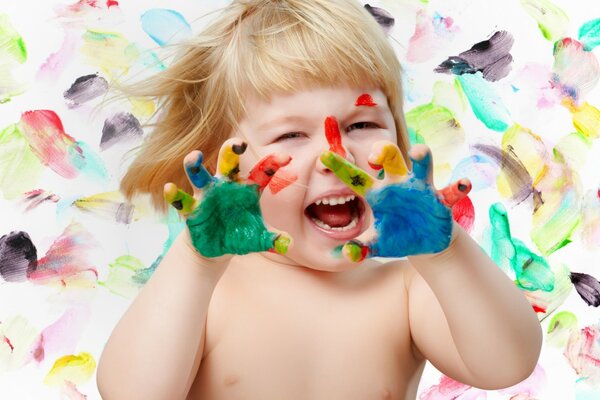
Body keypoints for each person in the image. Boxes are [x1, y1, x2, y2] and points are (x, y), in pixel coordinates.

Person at [96, 1, 542, 399]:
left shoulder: (405, 291)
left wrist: (444, 255)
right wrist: (194, 261)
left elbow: (506, 365)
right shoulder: (207, 292)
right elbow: (131, 393)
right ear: (224, 165)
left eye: (362, 125)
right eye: (291, 134)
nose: (336, 154)